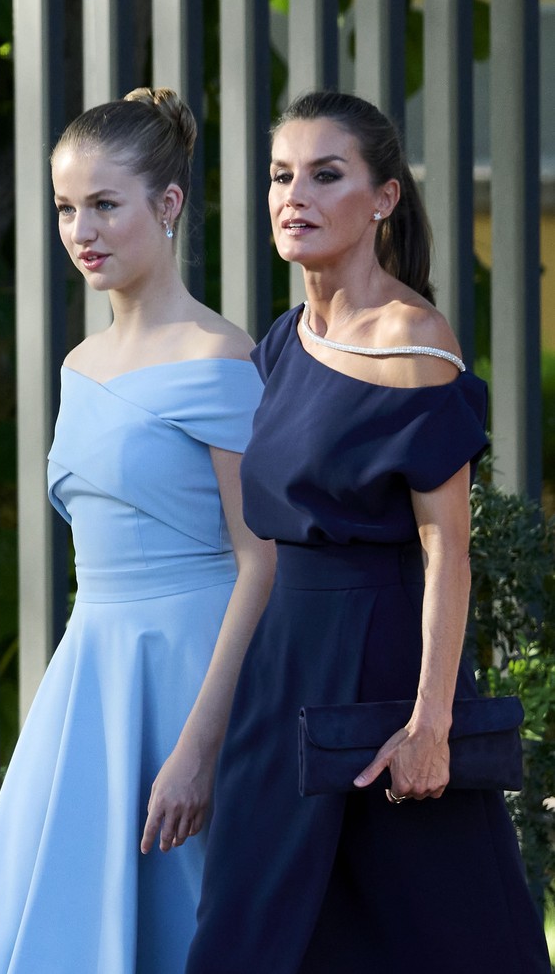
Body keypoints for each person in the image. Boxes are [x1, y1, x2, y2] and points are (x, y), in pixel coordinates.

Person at [186, 90, 551, 973]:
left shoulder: (416, 342)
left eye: (326, 174)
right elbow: (266, 554)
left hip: (386, 674)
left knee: (439, 933)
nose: (294, 196)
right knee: (252, 933)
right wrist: (207, 734)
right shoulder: (283, 341)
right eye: (281, 175)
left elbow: (448, 549)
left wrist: (433, 722)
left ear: (384, 197)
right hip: (284, 680)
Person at [0, 88, 275, 974]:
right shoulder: (79, 364)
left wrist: (199, 745)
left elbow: (262, 558)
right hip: (91, 672)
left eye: (104, 204)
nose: (80, 229)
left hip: (192, 679)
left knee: (188, 926)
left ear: (167, 205)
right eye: (64, 207)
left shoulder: (222, 358)